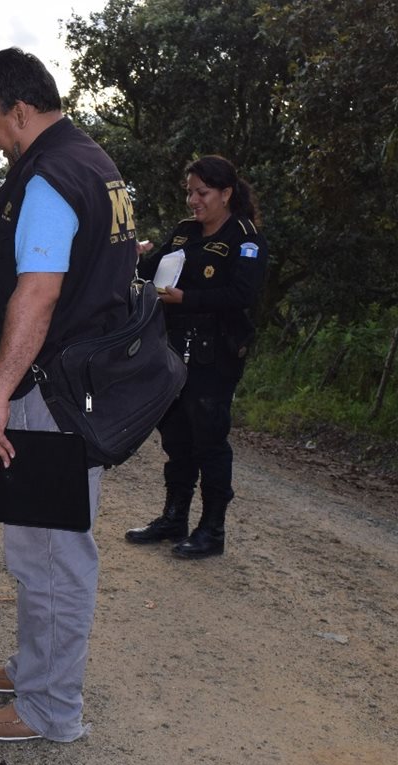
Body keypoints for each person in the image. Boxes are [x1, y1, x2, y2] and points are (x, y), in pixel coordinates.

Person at [0, 48, 138, 742]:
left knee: (56, 553)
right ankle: (33, 671)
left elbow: (37, 297)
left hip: (55, 390)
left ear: (19, 110)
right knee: (35, 547)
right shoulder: (92, 161)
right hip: (76, 381)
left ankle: (51, 709)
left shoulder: (49, 179)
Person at [124, 155, 268, 559]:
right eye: (189, 192)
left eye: (202, 192)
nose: (193, 200)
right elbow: (151, 270)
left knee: (209, 439)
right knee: (176, 437)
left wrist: (187, 299)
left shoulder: (246, 238)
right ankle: (174, 518)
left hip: (215, 354)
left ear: (226, 193)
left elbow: (243, 295)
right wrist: (133, 256)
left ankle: (212, 529)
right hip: (173, 350)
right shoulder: (185, 231)